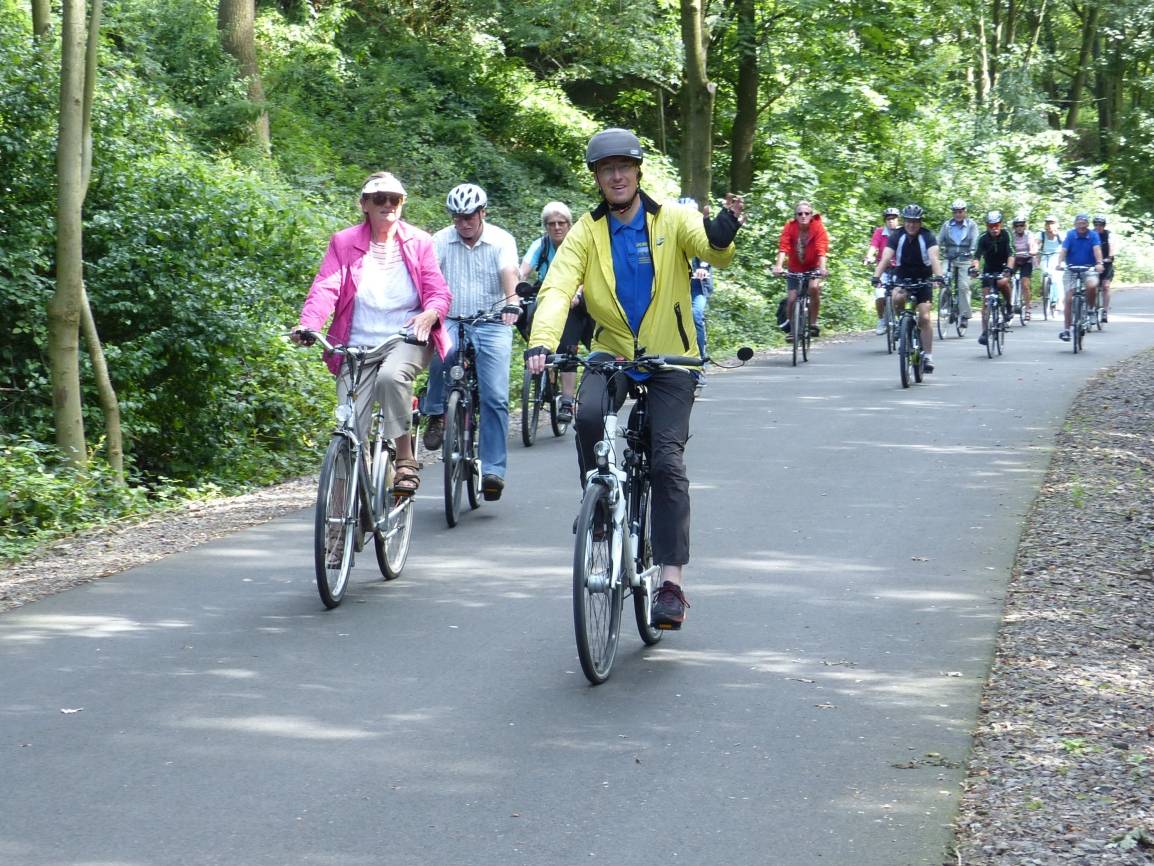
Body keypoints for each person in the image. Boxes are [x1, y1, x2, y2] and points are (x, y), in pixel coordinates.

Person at [524, 127, 744, 630]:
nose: (617, 175)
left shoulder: (672, 217)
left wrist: (724, 232)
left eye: (624, 166)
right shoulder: (585, 230)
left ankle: (671, 583)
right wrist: (542, 339)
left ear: (638, 171)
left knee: (666, 461)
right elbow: (558, 286)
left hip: (673, 361)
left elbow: (710, 247)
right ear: (597, 179)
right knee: (587, 415)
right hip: (615, 352)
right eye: (607, 169)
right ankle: (598, 505)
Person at [293, 172, 452, 495]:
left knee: (391, 379)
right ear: (364, 204)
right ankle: (343, 525)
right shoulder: (343, 241)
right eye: (379, 199)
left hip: (404, 338)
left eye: (395, 199)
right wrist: (309, 324)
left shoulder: (419, 241)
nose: (388, 205)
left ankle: (405, 458)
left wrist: (430, 313)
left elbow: (439, 292)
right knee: (349, 429)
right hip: (356, 344)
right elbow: (327, 285)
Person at [423, 183, 521, 500]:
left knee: (495, 397)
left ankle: (493, 469)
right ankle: (437, 413)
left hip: (492, 320)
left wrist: (512, 301)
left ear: (482, 213)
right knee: (442, 350)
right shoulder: (440, 240)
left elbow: (509, 272)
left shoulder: (501, 240)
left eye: (469, 216)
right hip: (451, 316)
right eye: (458, 217)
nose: (464, 222)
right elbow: (430, 275)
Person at [519, 201, 590, 422]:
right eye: (552, 224)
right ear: (546, 226)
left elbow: (587, 274)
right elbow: (522, 270)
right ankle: (541, 363)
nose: (557, 227)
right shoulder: (540, 245)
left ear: (569, 225)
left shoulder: (578, 245)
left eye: (561, 223)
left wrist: (576, 293)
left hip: (573, 298)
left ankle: (567, 401)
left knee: (568, 344)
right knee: (524, 315)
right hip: (546, 295)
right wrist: (518, 286)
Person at [871, 204, 944, 372]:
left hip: (923, 279)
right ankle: (902, 324)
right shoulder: (897, 236)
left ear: (920, 222)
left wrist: (938, 276)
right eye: (909, 221)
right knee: (897, 298)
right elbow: (886, 258)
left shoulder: (928, 236)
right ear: (904, 222)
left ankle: (928, 356)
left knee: (924, 317)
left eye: (915, 221)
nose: (912, 225)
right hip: (902, 276)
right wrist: (876, 276)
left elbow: (934, 258)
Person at [772, 200, 828, 340]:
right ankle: (792, 329)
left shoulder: (818, 227)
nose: (803, 216)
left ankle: (813, 323)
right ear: (795, 216)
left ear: (811, 215)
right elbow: (783, 247)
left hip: (813, 266)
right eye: (800, 213)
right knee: (791, 299)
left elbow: (821, 249)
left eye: (807, 213)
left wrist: (822, 268)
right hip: (795, 267)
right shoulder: (790, 227)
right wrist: (778, 266)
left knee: (814, 288)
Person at [680, 197, 715, 385]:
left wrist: (702, 267)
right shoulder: (673, 231)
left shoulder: (702, 230)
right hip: (677, 286)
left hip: (697, 286)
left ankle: (700, 362)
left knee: (695, 314)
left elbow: (707, 251)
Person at [1056, 213, 1104, 342]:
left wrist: (1099, 263)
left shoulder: (1093, 235)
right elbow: (1064, 250)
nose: (1081, 227)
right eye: (1079, 224)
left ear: (1088, 225)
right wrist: (1059, 263)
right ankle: (1067, 330)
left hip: (1089, 268)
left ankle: (1091, 309)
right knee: (1068, 299)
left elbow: (1097, 249)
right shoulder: (1071, 235)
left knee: (1092, 285)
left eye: (1084, 224)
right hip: (1071, 268)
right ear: (1075, 225)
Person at [971, 211, 1013, 347]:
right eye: (991, 225)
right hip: (989, 269)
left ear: (1000, 224)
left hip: (1003, 267)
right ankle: (984, 332)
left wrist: (1009, 269)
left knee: (1003, 283)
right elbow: (977, 256)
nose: (994, 228)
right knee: (986, 302)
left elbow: (1011, 254)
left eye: (996, 225)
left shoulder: (1006, 235)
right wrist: (974, 268)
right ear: (987, 226)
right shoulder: (983, 238)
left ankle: (1008, 305)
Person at [938, 199, 980, 331]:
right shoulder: (947, 225)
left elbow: (975, 242)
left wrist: (972, 254)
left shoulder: (971, 225)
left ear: (965, 212)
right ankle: (945, 305)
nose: (958, 214)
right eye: (955, 212)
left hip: (964, 259)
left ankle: (964, 315)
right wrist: (935, 251)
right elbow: (938, 241)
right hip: (949, 258)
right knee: (942, 278)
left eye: (960, 212)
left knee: (963, 286)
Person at [865, 207, 901, 334]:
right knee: (880, 295)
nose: (891, 221)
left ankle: (900, 320)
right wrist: (869, 257)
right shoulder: (879, 232)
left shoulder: (902, 232)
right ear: (885, 220)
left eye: (894, 218)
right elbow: (873, 246)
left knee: (899, 296)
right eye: (888, 219)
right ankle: (881, 320)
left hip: (899, 269)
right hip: (883, 269)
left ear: (898, 219)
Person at [1009, 215, 1039, 321]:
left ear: (1025, 226)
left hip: (1027, 260)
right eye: (1017, 226)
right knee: (1006, 279)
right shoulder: (1011, 236)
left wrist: (1032, 251)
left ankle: (1028, 309)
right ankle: (1008, 304)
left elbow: (1033, 246)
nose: (1019, 227)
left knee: (1025, 284)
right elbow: (1008, 247)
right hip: (1015, 260)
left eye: (1021, 225)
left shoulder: (1029, 235)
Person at [1036, 215, 1063, 315]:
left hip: (1057, 257)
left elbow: (1066, 246)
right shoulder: (1041, 234)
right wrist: (1035, 249)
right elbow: (1037, 243)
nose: (1050, 225)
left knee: (1057, 279)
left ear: (1057, 225)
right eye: (1048, 223)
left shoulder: (1061, 235)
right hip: (1045, 257)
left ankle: (1058, 301)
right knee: (1045, 275)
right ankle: (1045, 292)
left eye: (1052, 223)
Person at [1093, 216, 1115, 322]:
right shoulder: (1091, 234)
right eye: (1096, 225)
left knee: (1106, 286)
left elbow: (1112, 246)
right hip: (1093, 263)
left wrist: (1110, 257)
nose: (1098, 227)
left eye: (1100, 225)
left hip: (1106, 263)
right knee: (1092, 286)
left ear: (1104, 226)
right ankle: (1091, 308)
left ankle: (1105, 311)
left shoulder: (1108, 235)